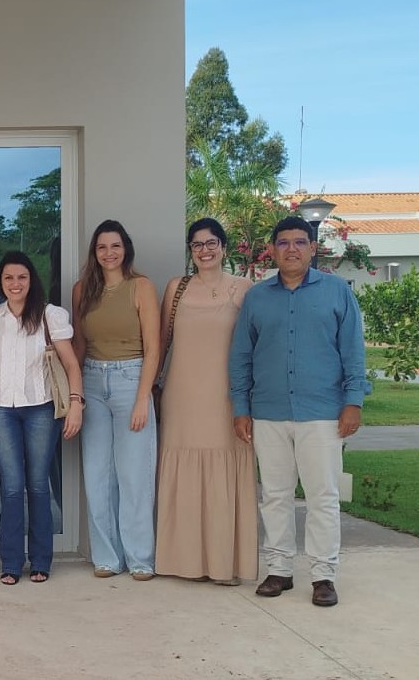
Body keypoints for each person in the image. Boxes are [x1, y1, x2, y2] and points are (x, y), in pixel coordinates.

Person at [230, 216, 370, 608]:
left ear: (311, 248)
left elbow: (353, 350)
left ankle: (323, 575)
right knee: (275, 495)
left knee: (322, 495)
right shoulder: (258, 297)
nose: (291, 249)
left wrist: (354, 401)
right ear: (272, 250)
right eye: (283, 242)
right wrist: (241, 407)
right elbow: (241, 356)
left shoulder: (336, 292)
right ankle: (279, 570)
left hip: (322, 412)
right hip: (269, 411)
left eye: (299, 242)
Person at [155, 219, 257, 585]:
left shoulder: (244, 289)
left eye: (211, 243)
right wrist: (150, 387)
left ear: (224, 247)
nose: (204, 250)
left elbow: (254, 346)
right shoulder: (176, 287)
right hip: (180, 395)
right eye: (197, 244)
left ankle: (223, 563)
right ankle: (184, 561)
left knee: (222, 473)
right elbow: (162, 342)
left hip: (224, 396)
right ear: (190, 250)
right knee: (182, 472)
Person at [0, 251, 83, 585]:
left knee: (38, 485)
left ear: (31, 280)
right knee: (11, 487)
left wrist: (76, 403)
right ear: (1, 282)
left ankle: (41, 561)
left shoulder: (50, 315)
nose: (15, 284)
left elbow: (70, 363)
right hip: (0, 409)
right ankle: (11, 562)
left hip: (41, 407)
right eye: (9, 278)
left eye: (22, 277)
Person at [70, 220, 161, 581]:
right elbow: (79, 345)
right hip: (92, 381)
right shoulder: (82, 291)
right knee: (97, 476)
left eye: (115, 246)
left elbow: (154, 347)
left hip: (131, 380)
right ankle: (107, 557)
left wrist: (142, 398)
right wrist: (73, 393)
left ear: (126, 249)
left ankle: (140, 559)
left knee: (134, 475)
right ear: (94, 253)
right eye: (102, 247)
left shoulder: (141, 287)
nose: (109, 253)